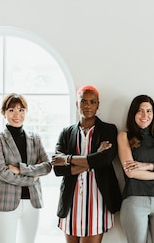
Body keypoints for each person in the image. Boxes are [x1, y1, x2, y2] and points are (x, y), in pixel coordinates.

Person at [52, 85, 122, 243]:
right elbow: (58, 169)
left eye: (92, 102)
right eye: (83, 101)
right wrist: (95, 156)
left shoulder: (108, 130)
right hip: (71, 200)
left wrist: (68, 159)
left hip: (97, 200)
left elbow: (105, 160)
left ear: (98, 104)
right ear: (77, 104)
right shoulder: (66, 132)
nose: (87, 105)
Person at [0, 93, 53, 243]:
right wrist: (31, 178)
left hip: (32, 202)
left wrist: (21, 169)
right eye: (11, 110)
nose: (17, 115)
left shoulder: (35, 138)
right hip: (5, 202)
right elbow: (0, 173)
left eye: (21, 110)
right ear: (4, 112)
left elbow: (47, 166)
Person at [117, 95, 154, 243]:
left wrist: (150, 166)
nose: (145, 115)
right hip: (135, 200)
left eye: (149, 111)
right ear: (133, 113)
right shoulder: (124, 136)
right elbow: (131, 172)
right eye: (140, 111)